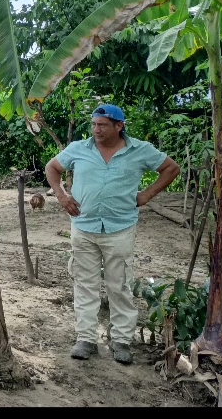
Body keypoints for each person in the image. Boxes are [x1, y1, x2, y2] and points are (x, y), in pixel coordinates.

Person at [46, 104, 179, 364]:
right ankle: (85, 339)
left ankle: (121, 341)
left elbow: (171, 168)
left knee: (119, 285)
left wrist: (147, 194)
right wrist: (62, 196)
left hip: (120, 228)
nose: (96, 130)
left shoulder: (139, 150)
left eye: (102, 125)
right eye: (94, 124)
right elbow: (52, 168)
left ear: (119, 126)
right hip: (84, 226)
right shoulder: (78, 149)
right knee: (85, 284)